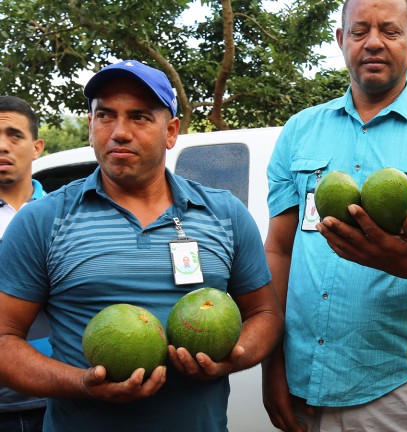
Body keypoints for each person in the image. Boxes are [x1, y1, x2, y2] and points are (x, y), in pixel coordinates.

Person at [0, 60, 283, 431]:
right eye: (105, 115)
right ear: (90, 127)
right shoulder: (42, 220)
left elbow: (265, 315)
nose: (119, 132)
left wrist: (235, 356)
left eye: (139, 117)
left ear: (171, 131)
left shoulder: (225, 213)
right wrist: (80, 384)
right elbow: (4, 339)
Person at [262, 0, 407, 430]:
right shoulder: (300, 130)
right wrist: (272, 365)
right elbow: (279, 249)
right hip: (301, 381)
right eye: (360, 30)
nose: (374, 43)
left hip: (398, 388)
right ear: (340, 40)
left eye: (390, 30)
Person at [0, 95, 49, 431]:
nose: (2, 146)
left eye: (14, 135)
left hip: (56, 392)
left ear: (36, 147)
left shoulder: (65, 215)